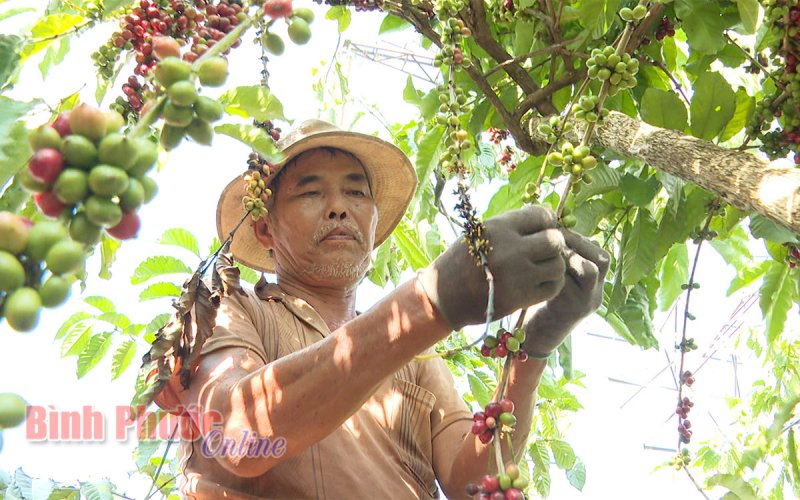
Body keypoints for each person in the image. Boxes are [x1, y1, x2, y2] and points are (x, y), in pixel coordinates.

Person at [154, 119, 609, 499]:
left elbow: (472, 482)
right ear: (265, 228)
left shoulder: (414, 357)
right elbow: (239, 431)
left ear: (373, 220)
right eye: (310, 194)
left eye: (356, 194)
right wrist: (431, 301)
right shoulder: (227, 308)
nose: (338, 209)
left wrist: (529, 353)